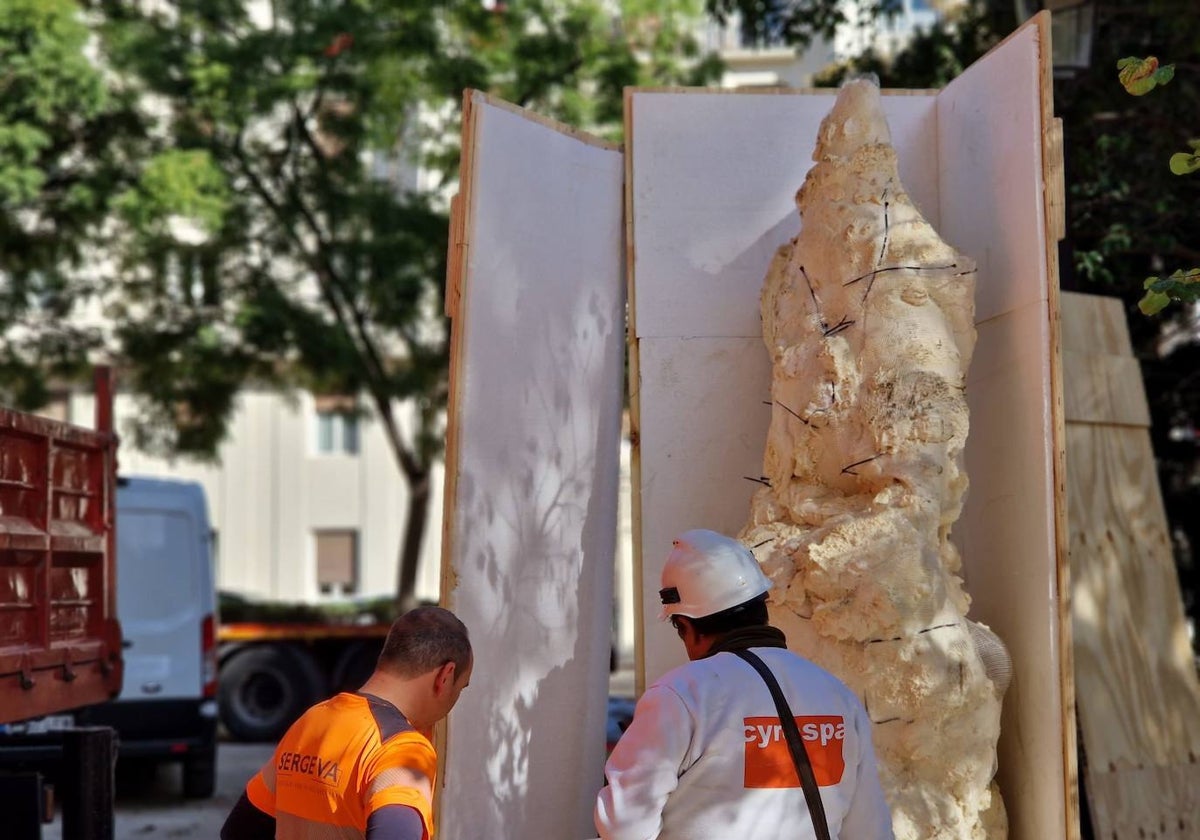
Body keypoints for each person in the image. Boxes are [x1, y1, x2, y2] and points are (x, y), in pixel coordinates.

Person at [595, 529, 894, 840]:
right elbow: (870, 830)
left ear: (685, 625)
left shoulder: (681, 695)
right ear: (761, 610)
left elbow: (623, 827)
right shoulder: (836, 695)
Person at [221, 606, 472, 840]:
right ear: (445, 676)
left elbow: (238, 831)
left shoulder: (311, 722)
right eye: (460, 688)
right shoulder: (400, 749)